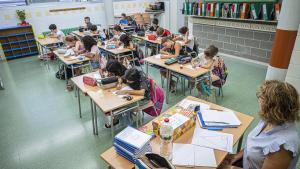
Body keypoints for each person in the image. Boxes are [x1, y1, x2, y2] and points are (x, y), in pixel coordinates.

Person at [222, 80, 300, 169]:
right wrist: (235, 157)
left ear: (272, 107)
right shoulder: (269, 119)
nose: (259, 100)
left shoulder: (282, 146)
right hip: (247, 163)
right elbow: (253, 145)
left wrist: (228, 168)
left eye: (262, 98)